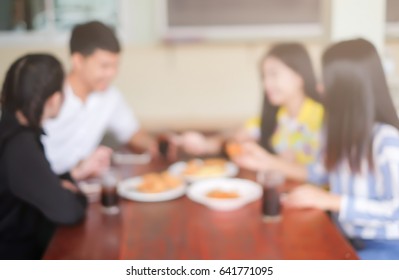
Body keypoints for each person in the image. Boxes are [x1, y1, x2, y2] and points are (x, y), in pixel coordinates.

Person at [282, 39, 399, 259]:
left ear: (348, 89)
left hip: (385, 246)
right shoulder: (335, 129)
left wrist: (331, 201)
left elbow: (395, 209)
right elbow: (318, 172)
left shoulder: (386, 140)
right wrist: (266, 161)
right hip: (345, 236)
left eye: (326, 81)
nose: (319, 88)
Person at [42, 21, 157, 181]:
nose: (111, 73)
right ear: (78, 61)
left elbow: (132, 132)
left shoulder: (110, 97)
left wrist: (158, 145)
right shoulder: (49, 98)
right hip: (40, 187)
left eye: (116, 66)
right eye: (104, 66)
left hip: (82, 186)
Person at [175, 43, 324, 167]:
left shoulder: (321, 118)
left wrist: (270, 162)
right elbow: (239, 134)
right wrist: (205, 143)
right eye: (264, 77)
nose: (266, 84)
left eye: (273, 74)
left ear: (299, 76)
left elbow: (321, 175)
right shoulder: (277, 116)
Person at [0, 54, 87, 259]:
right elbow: (69, 212)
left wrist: (61, 182)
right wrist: (75, 194)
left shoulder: (9, 130)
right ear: (54, 99)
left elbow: (30, 186)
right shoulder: (19, 147)